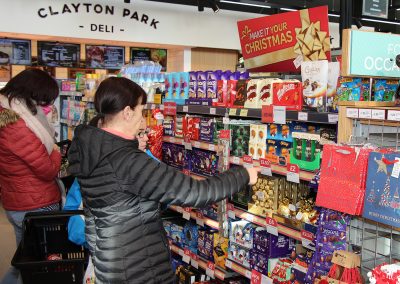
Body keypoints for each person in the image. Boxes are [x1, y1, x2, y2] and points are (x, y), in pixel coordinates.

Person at [68, 77, 259, 284]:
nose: (143, 121)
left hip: (109, 268)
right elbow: (195, 193)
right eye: (141, 111)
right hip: (141, 271)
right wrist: (243, 175)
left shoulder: (91, 150)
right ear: (127, 112)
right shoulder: (128, 162)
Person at [0, 69, 61, 284]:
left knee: (24, 261)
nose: (46, 106)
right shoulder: (15, 124)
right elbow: (47, 169)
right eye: (45, 100)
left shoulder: (8, 113)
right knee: (38, 267)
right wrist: (55, 152)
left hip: (18, 201)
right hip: (35, 204)